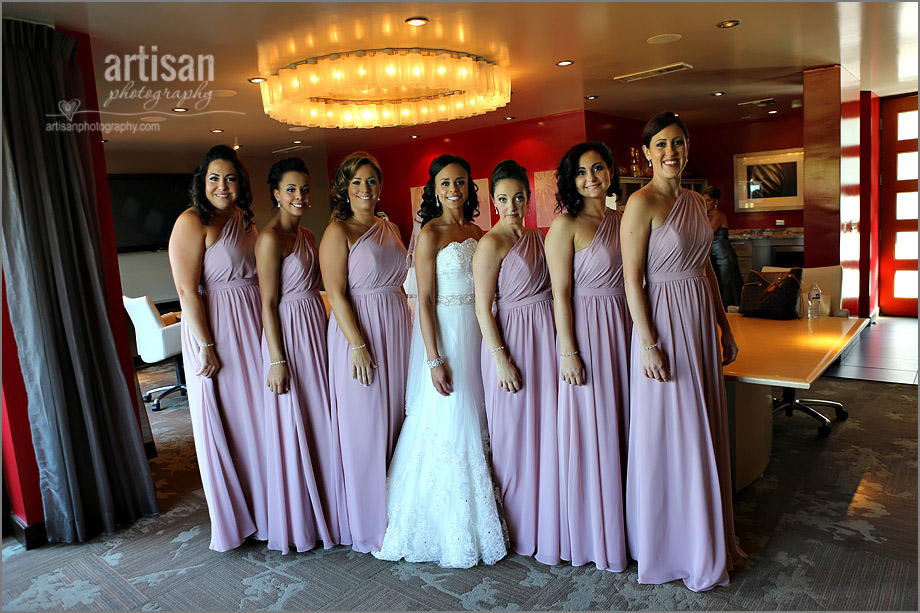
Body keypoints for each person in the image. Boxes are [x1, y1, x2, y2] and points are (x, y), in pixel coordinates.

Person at [621, 112, 746, 592]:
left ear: (687, 148)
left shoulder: (697, 202)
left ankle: (706, 537)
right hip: (662, 327)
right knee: (670, 433)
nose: (671, 152)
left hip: (696, 319)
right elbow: (633, 279)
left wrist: (724, 327)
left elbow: (709, 271)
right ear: (649, 152)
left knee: (703, 429)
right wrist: (647, 342)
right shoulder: (641, 203)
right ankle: (671, 546)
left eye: (678, 143)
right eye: (662, 145)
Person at [374, 155, 506, 568]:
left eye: (462, 182)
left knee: (478, 416)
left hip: (477, 333)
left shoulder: (478, 231)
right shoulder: (429, 234)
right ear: (433, 188)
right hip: (447, 335)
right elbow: (425, 301)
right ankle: (441, 524)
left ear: (471, 187)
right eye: (446, 182)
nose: (454, 189)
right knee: (450, 417)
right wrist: (434, 358)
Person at [168, 145, 266, 551]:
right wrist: (206, 345)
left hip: (252, 322)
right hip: (217, 330)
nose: (222, 186)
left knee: (258, 420)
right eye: (214, 178)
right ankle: (236, 518)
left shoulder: (244, 219)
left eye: (229, 178)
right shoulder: (193, 221)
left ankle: (266, 507)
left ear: (240, 182)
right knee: (228, 421)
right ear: (201, 182)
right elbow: (186, 290)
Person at [545, 141, 631, 572]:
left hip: (626, 329)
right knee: (594, 431)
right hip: (588, 334)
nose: (591, 177)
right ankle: (597, 533)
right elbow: (559, 294)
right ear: (571, 180)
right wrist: (568, 351)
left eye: (598, 168)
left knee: (627, 426)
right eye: (581, 172)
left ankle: (632, 526)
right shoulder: (565, 226)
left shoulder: (624, 219)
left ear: (611, 172)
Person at [319, 152, 411, 553]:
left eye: (372, 181)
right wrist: (357, 344)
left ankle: (395, 516)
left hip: (397, 329)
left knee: (395, 423)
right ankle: (365, 525)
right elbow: (336, 295)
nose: (365, 189)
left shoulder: (388, 227)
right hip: (358, 334)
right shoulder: (338, 233)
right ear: (344, 188)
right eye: (357, 182)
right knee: (364, 430)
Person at [472, 160, 560, 565]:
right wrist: (501, 359)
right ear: (493, 201)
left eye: (518, 197)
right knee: (514, 435)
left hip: (544, 339)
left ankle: (547, 519)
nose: (512, 205)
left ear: (528, 196)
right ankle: (519, 526)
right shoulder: (491, 243)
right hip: (511, 342)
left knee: (545, 431)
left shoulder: (537, 237)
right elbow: (482, 309)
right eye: (503, 199)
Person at [256, 157, 341, 554]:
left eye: (305, 189)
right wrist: (276, 359)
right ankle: (302, 519)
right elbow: (268, 304)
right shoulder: (270, 239)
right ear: (276, 194)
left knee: (321, 418)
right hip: (287, 333)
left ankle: (329, 508)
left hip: (314, 327)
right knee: (295, 423)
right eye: (291, 189)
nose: (300, 196)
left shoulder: (308, 234)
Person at [703, 186, 745, 307]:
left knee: (726, 284)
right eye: (704, 200)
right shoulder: (707, 216)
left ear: (716, 202)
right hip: (713, 255)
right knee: (716, 284)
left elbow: (708, 234)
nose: (706, 203)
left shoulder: (719, 216)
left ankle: (729, 312)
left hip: (723, 255)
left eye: (709, 200)